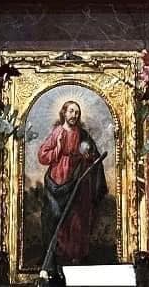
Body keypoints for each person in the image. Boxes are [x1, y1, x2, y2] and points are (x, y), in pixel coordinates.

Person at [36, 99, 108, 272]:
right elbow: (42, 156)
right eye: (70, 111)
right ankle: (54, 256)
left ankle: (77, 255)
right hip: (57, 181)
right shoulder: (57, 133)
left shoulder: (83, 135)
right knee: (54, 217)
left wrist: (88, 156)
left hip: (79, 181)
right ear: (64, 113)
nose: (74, 115)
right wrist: (58, 149)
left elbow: (93, 157)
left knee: (77, 218)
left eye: (76, 112)